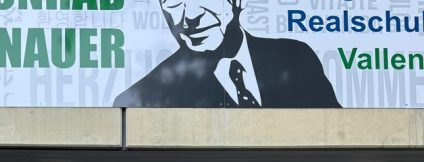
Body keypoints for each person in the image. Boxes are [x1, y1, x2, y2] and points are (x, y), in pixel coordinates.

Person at [113, 0, 340, 108]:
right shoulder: (136, 101)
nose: (190, 16)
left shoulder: (296, 58)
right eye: (174, 2)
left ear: (237, 2)